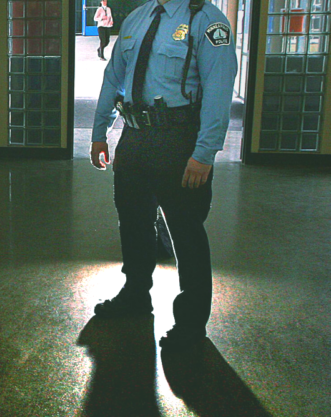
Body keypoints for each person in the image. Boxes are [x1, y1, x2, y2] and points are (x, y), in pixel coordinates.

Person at [89, 0, 237, 350]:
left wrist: (204, 153)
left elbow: (218, 90)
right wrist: (99, 131)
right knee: (134, 221)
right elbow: (115, 76)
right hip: (135, 136)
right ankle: (136, 294)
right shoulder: (138, 18)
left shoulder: (208, 21)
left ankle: (191, 322)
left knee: (186, 231)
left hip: (179, 140)